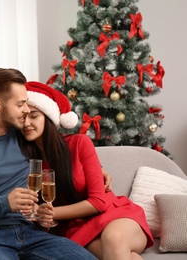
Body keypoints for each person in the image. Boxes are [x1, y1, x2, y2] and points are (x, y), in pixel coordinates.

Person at [0, 68, 97, 259]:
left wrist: (100, 170)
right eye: (21, 104)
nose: (27, 110)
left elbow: (61, 146)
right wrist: (4, 204)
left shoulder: (23, 138)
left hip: (31, 235)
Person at [16, 81, 154, 260]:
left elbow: (99, 202)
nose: (26, 123)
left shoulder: (79, 143)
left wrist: (53, 212)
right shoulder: (24, 159)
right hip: (76, 230)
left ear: (48, 117)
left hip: (114, 215)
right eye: (23, 117)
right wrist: (45, 218)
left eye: (34, 116)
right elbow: (39, 215)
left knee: (113, 239)